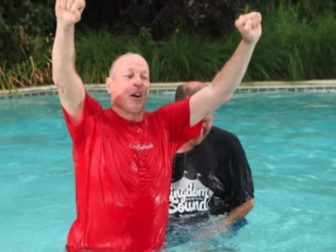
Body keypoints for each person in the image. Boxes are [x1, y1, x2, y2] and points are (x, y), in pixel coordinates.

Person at [52, 0, 262, 250]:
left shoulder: (165, 125)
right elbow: (64, 79)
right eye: (129, 76)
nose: (138, 82)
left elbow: (218, 92)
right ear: (109, 85)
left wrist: (248, 44)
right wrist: (65, 27)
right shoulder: (90, 122)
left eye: (144, 77)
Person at [168, 81, 254, 242]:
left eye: (205, 120)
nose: (200, 129)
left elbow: (246, 202)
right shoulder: (154, 142)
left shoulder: (227, 144)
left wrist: (213, 232)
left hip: (215, 229)